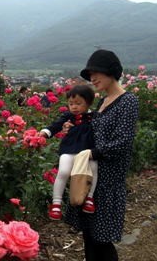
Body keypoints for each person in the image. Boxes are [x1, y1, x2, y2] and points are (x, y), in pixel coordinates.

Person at [65, 49, 139, 261]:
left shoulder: (127, 101)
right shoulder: (102, 102)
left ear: (111, 71)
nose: (92, 78)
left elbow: (123, 142)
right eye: (89, 75)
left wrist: (93, 153)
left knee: (101, 240)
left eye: (96, 72)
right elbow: (94, 133)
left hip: (108, 181)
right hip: (90, 179)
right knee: (89, 236)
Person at [39, 84, 98, 220]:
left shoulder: (94, 117)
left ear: (88, 103)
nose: (74, 107)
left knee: (94, 169)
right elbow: (56, 125)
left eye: (78, 103)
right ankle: (56, 203)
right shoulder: (68, 116)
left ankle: (90, 198)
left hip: (88, 150)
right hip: (70, 147)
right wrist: (45, 132)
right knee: (63, 171)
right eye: (71, 104)